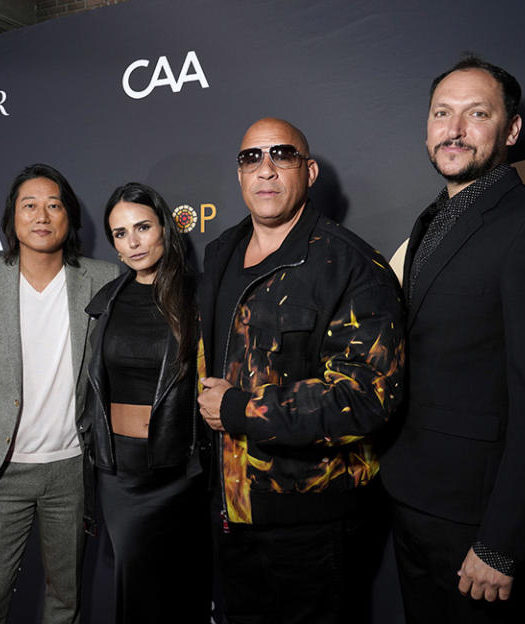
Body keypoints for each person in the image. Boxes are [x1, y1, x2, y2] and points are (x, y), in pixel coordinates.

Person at [381, 56, 525, 623]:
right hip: (412, 494)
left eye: (477, 114)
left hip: (478, 519)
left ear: (511, 130)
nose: (454, 129)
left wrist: (502, 541)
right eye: (442, 114)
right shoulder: (433, 220)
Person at [197, 117, 405, 623]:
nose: (265, 170)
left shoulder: (351, 264)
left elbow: (366, 397)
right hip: (228, 511)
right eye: (252, 158)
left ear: (309, 171)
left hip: (311, 521)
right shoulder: (220, 251)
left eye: (281, 156)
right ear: (239, 175)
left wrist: (240, 408)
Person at [0, 163, 119, 624]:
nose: (42, 215)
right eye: (30, 205)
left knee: (66, 599)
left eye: (54, 205)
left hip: (70, 472)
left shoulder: (103, 279)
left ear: (70, 217)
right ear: (12, 219)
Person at [84, 182, 211, 624]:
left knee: (184, 588)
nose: (133, 242)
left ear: (165, 228)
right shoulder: (106, 302)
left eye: (142, 227)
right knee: (134, 591)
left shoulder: (200, 297)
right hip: (121, 476)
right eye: (120, 234)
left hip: (181, 471)